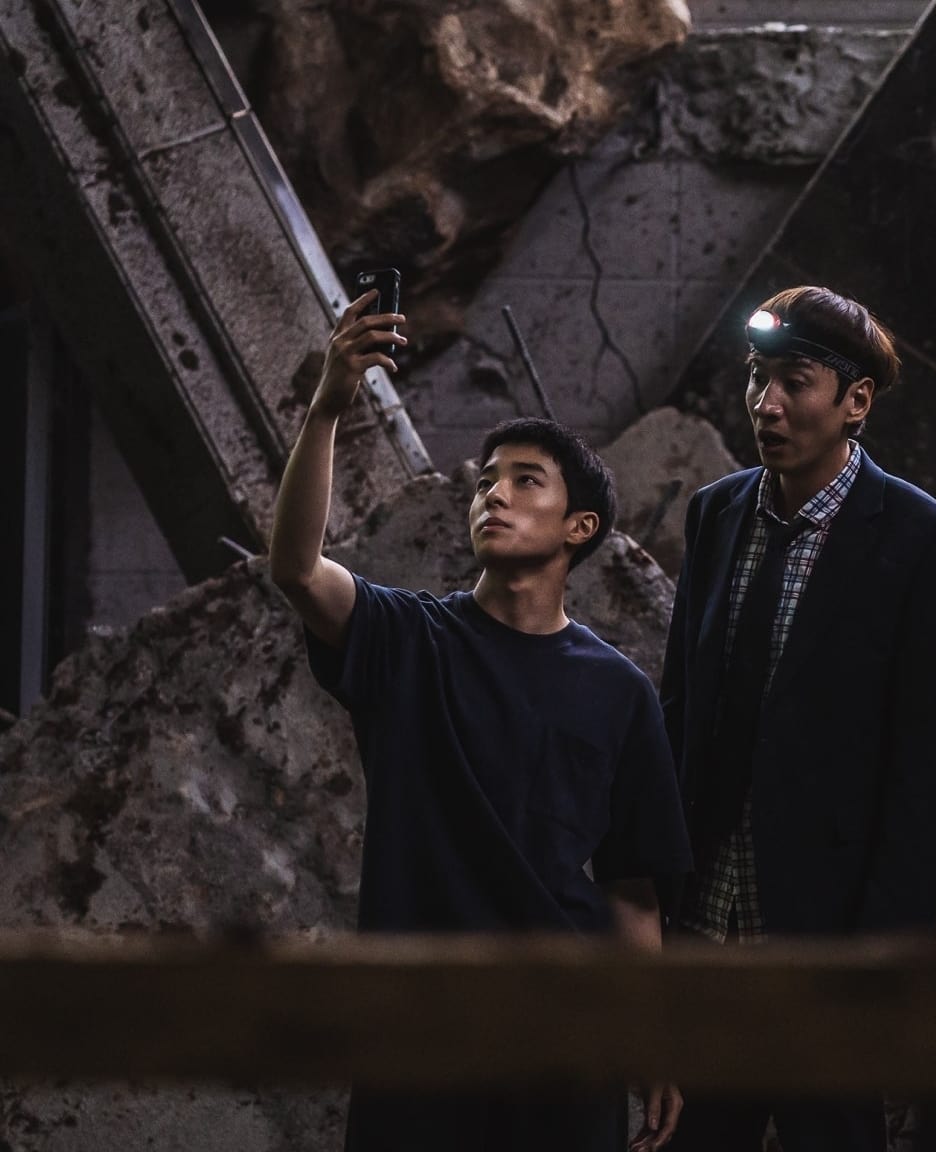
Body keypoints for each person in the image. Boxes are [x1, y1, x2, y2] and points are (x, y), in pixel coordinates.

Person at [270, 292, 693, 1151]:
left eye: (524, 480)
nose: (493, 493)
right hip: (416, 1031)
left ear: (579, 526)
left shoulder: (619, 691)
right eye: (486, 480)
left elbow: (632, 889)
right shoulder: (409, 639)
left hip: (567, 1035)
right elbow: (297, 570)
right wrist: (329, 405)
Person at [659, 286, 936, 1152]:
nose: (766, 404)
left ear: (856, 401)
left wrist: (885, 955)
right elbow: (679, 707)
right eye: (755, 377)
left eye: (794, 382)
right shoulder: (717, 513)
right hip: (706, 909)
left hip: (824, 928)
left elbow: (923, 772)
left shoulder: (923, 542)